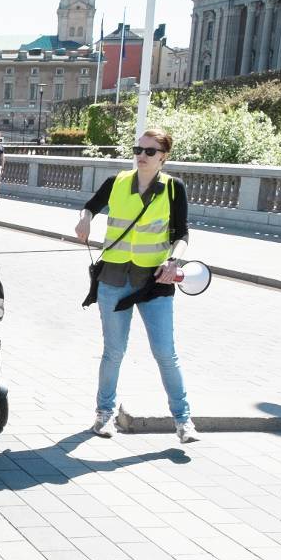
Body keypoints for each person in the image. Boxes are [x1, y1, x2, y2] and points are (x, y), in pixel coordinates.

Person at [72, 127, 196, 444]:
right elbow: (90, 206)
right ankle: (103, 415)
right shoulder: (117, 182)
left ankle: (183, 421)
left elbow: (182, 235)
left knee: (165, 353)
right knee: (113, 352)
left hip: (154, 282)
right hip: (113, 278)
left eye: (149, 151)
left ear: (164, 156)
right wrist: (85, 218)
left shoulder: (173, 189)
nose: (141, 156)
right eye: (138, 150)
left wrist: (174, 262)